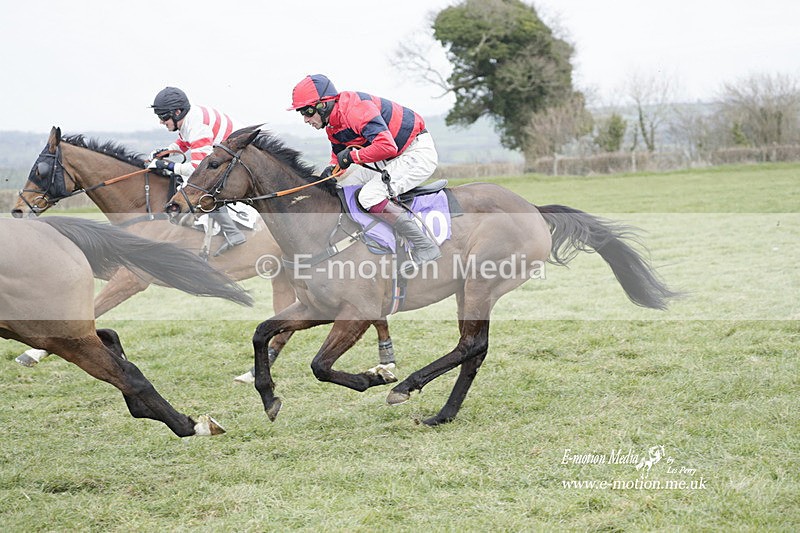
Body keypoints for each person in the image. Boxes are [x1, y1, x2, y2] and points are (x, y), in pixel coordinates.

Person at [287, 74, 441, 265]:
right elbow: (338, 155)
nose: (305, 119)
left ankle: (424, 245)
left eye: (307, 111)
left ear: (323, 104)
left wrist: (352, 157)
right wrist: (331, 169)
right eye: (301, 113)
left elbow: (387, 146)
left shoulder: (355, 110)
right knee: (341, 188)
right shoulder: (332, 125)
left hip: (414, 152)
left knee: (369, 196)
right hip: (388, 157)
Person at [146, 86, 247, 255]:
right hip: (228, 154)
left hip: (240, 159)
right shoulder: (189, 118)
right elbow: (184, 141)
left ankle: (233, 233)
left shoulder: (197, 126)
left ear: (177, 112)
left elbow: (197, 170)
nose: (161, 122)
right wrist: (166, 151)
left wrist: (168, 166)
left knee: (200, 187)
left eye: (163, 117)